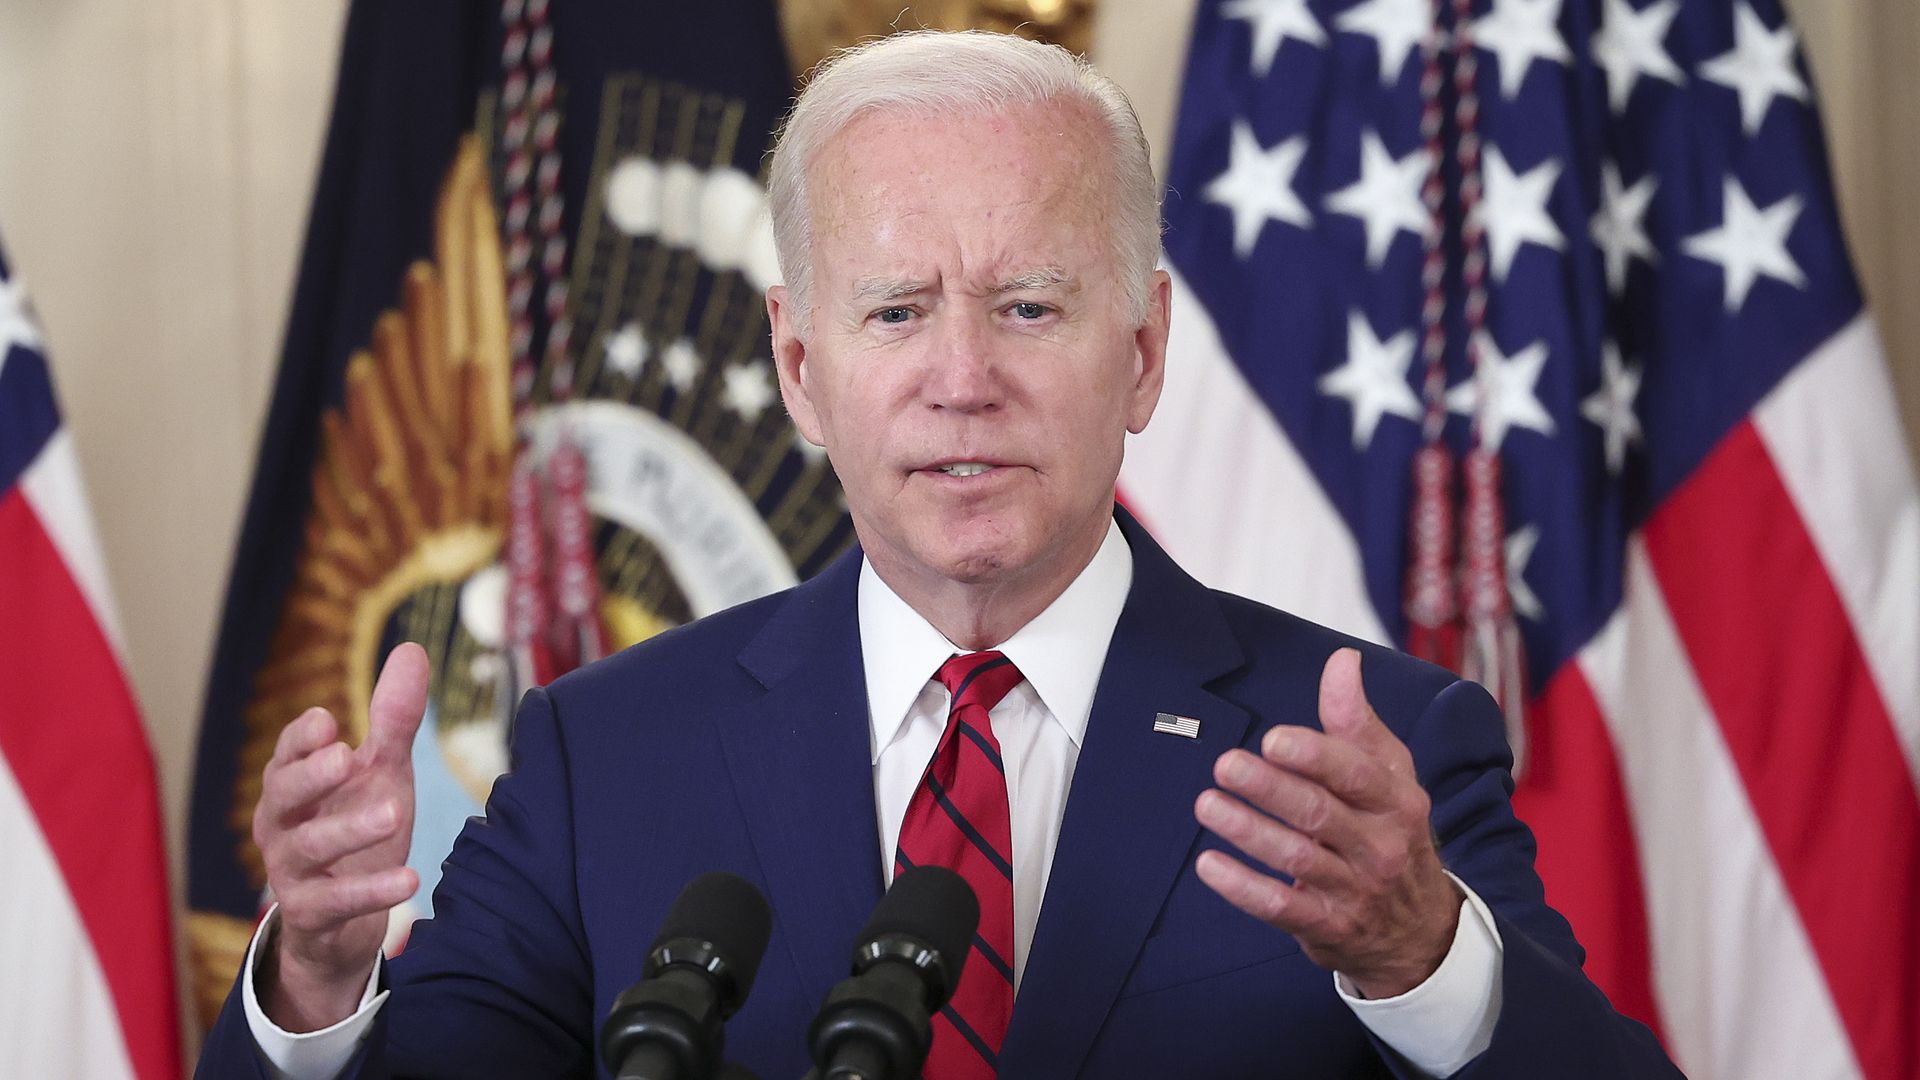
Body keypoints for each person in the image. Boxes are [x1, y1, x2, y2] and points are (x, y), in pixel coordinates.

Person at [198, 29, 1680, 1080]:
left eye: (1029, 306)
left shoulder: (1373, 758)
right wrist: (315, 982)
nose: (962, 379)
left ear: (1144, 351)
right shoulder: (604, 759)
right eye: (896, 311)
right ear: (799, 366)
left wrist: (1421, 959)